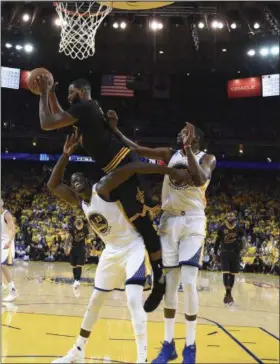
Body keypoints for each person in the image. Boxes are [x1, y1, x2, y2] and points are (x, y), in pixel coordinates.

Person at [48, 134, 187, 364]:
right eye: (72, 181)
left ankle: (141, 359)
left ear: (87, 179)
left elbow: (131, 168)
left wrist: (169, 172)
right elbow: (53, 184)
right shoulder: (80, 202)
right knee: (94, 301)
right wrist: (65, 155)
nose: (76, 180)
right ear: (72, 189)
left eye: (79, 176)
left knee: (133, 300)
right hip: (111, 251)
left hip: (133, 246)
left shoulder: (101, 188)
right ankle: (78, 351)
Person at [36, 76, 165, 312]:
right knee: (131, 222)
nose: (68, 97)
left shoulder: (85, 107)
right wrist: (52, 95)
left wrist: (44, 92)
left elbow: (47, 122)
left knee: (141, 220)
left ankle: (160, 278)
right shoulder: (85, 111)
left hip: (122, 164)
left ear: (82, 93)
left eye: (71, 92)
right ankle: (141, 269)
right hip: (113, 168)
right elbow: (61, 118)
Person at [107, 115, 216, 364]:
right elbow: (134, 148)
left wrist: (188, 150)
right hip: (169, 221)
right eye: (180, 134)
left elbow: (199, 179)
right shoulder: (170, 154)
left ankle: (191, 347)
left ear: (194, 137)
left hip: (193, 221)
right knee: (169, 284)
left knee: (188, 283)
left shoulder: (207, 158)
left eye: (184, 134)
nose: (179, 136)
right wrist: (115, 130)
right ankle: (169, 345)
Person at [214, 211, 246, 305]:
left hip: (235, 254)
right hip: (224, 253)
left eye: (231, 215)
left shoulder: (239, 228)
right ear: (226, 218)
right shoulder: (222, 228)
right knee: (225, 273)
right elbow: (217, 241)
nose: (230, 217)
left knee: (232, 274)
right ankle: (228, 293)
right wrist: (215, 253)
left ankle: (229, 293)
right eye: (228, 216)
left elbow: (244, 240)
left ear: (235, 217)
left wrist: (243, 249)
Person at [1, 199, 19, 302]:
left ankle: (13, 290)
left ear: (2, 203)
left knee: (3, 265)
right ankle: (3, 285)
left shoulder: (7, 215)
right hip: (1, 243)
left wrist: (9, 242)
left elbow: (12, 230)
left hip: (7, 243)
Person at [69, 218, 88, 295]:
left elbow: (88, 238)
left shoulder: (85, 228)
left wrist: (89, 248)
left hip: (81, 249)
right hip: (73, 249)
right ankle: (75, 280)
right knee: (74, 266)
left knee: (79, 265)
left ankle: (77, 280)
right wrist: (66, 247)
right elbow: (68, 238)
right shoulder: (72, 229)